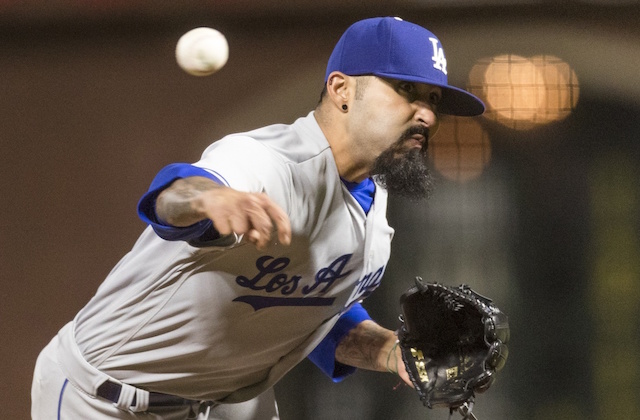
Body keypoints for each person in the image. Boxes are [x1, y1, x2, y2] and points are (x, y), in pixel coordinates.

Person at [31, 16, 484, 420]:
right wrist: (209, 199)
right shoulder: (267, 162)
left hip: (229, 404)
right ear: (341, 90)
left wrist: (390, 353)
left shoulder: (376, 206)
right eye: (406, 90)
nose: (426, 113)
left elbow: (315, 317)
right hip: (103, 399)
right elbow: (172, 197)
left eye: (433, 98)